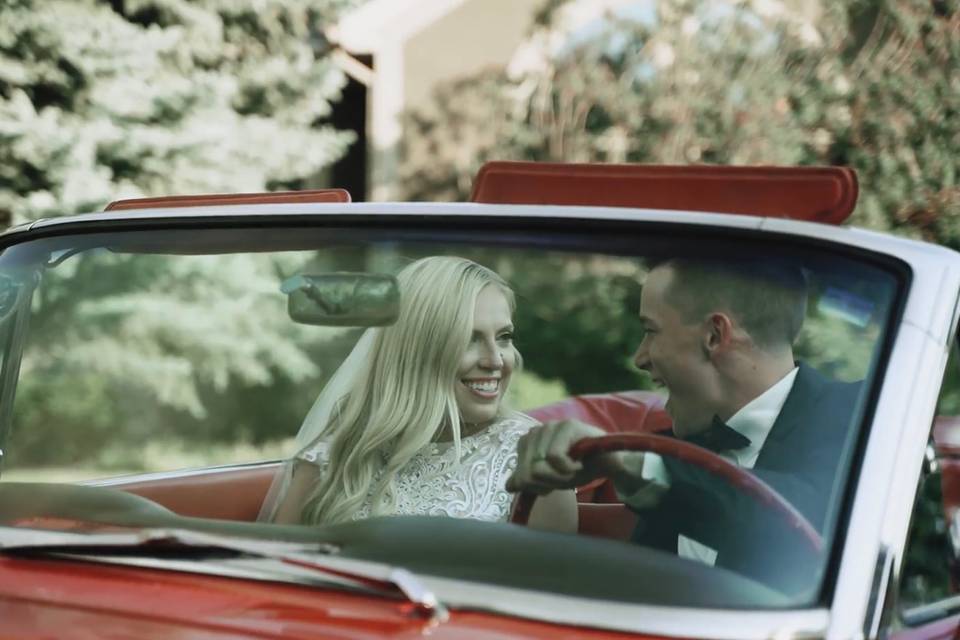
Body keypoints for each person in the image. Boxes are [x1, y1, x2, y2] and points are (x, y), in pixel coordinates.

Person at [506, 256, 861, 585]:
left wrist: (626, 463)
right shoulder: (677, 444)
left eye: (651, 330)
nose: (639, 357)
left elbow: (812, 516)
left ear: (714, 336)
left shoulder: (864, 414)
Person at [262, 255, 575, 529]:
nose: (495, 360)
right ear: (416, 352)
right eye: (469, 338)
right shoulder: (340, 448)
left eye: (504, 337)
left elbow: (551, 590)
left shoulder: (536, 460)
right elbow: (272, 571)